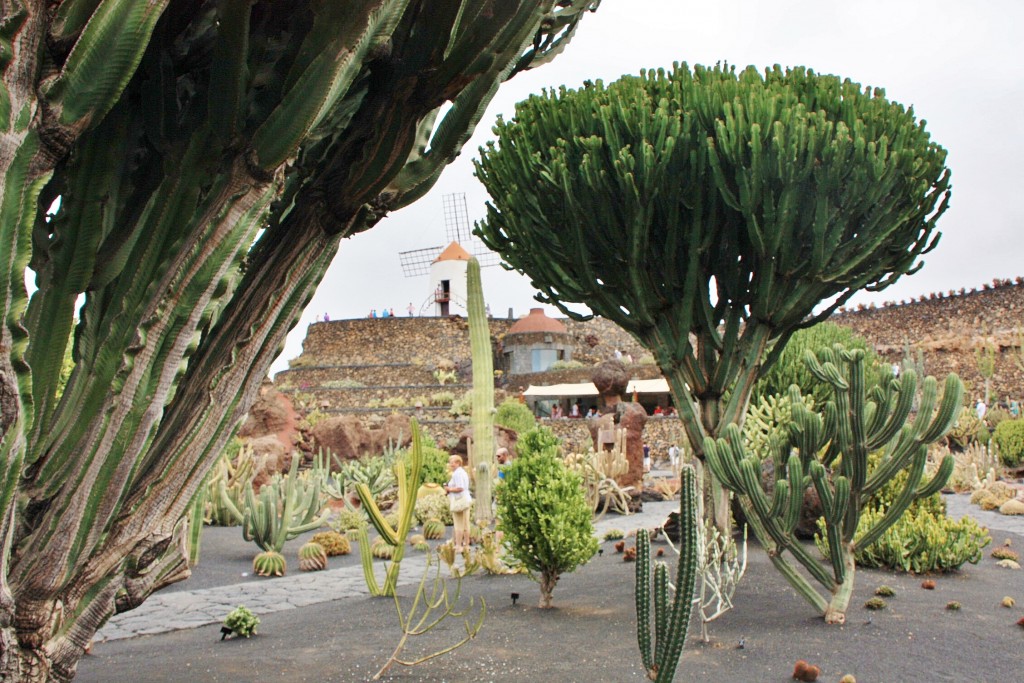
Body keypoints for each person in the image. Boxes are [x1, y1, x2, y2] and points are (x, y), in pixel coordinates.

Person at [444, 455, 472, 552]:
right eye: (450, 462)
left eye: (453, 462)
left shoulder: (457, 474)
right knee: (466, 523)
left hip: (459, 501)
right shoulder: (463, 472)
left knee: (459, 524)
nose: (451, 464)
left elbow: (460, 488)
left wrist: (449, 489)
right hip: (466, 499)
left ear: (458, 463)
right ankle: (466, 545)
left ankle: (459, 545)